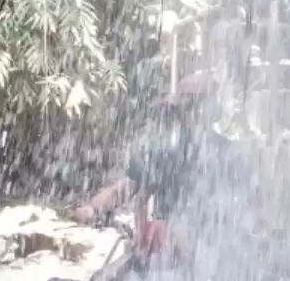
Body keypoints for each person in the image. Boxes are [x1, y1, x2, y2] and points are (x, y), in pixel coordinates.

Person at [72, 70, 229, 246]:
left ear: (209, 112)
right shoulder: (163, 153)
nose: (188, 117)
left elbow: (244, 213)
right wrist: (92, 208)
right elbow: (126, 187)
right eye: (184, 110)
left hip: (210, 250)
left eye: (193, 107)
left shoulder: (229, 156)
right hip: (165, 252)